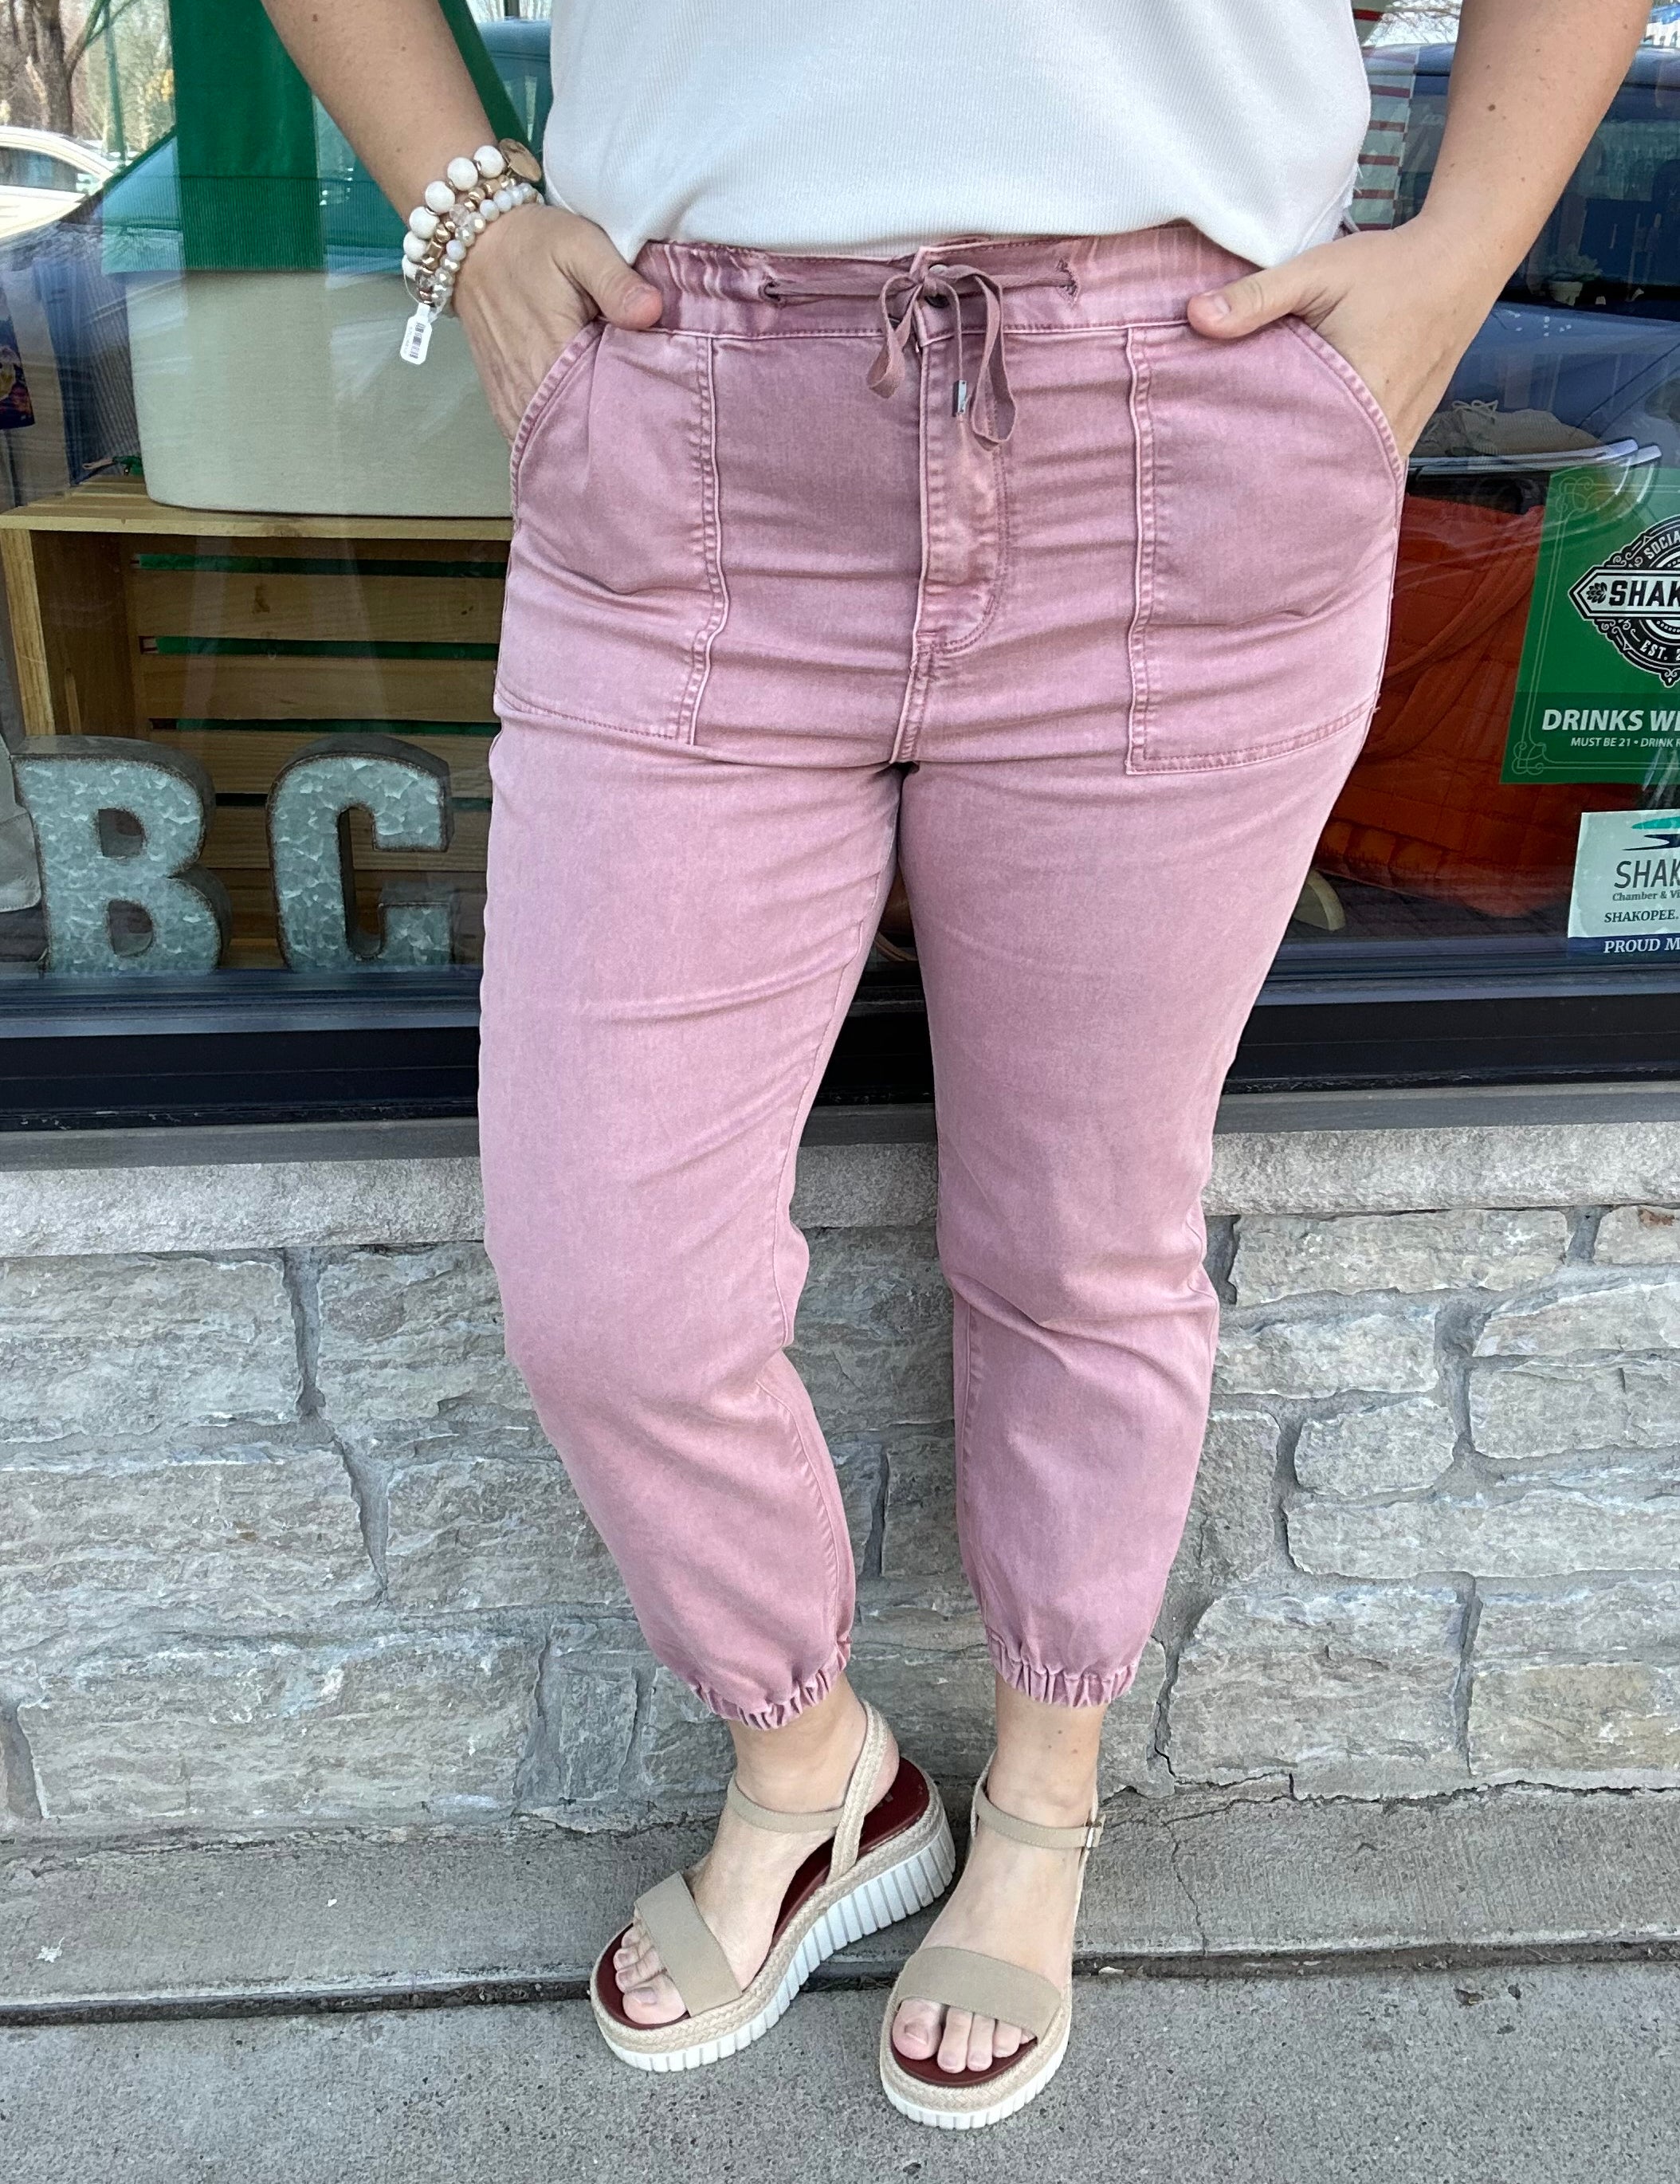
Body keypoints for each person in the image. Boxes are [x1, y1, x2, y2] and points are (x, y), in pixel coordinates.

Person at [265, 0, 1648, 2130]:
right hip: (686, 422)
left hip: (1179, 425)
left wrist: (1462, 250)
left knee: (1083, 1235)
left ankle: (1043, 1798)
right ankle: (815, 1772)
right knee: (606, 1278)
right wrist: (468, 208)